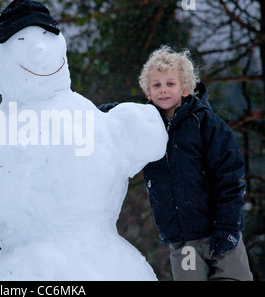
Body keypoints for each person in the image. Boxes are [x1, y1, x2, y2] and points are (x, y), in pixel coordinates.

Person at [99, 46, 253, 281]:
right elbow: (120, 115)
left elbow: (229, 178)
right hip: (184, 239)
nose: (163, 90)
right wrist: (96, 115)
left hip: (219, 230)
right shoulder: (145, 126)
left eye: (170, 83)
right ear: (148, 92)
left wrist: (228, 227)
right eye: (156, 85)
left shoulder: (206, 124)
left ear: (186, 88)